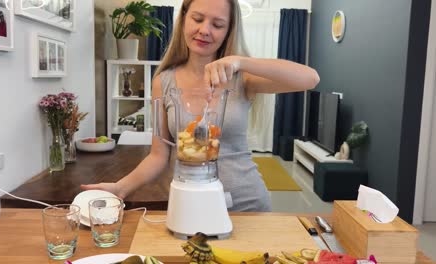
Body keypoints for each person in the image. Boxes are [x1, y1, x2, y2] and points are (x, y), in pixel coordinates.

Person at [82, 0, 320, 211]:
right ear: (184, 18)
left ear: (228, 31)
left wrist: (241, 61)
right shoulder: (162, 82)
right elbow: (158, 155)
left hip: (246, 204)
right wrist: (121, 188)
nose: (204, 30)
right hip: (188, 204)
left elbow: (310, 78)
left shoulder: (243, 78)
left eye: (217, 25)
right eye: (197, 18)